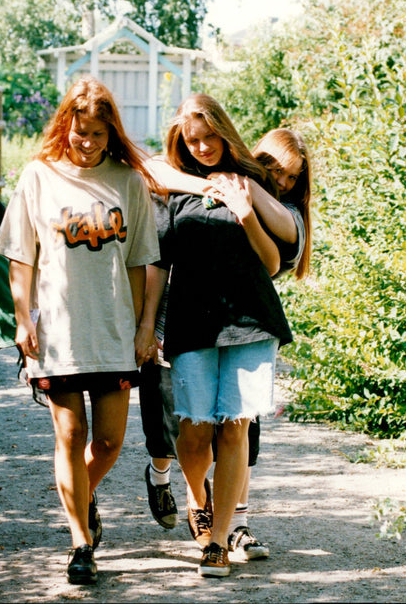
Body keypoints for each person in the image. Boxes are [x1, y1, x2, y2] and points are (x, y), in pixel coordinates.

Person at [0, 75, 161, 585]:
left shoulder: (128, 182)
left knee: (108, 442)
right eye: (79, 132)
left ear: (111, 134)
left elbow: (141, 264)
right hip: (58, 332)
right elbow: (21, 258)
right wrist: (23, 320)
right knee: (70, 433)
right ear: (65, 125)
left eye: (97, 135)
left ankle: (83, 495)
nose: (86, 143)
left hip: (111, 331)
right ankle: (81, 542)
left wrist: (143, 326)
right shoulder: (38, 176)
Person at [134, 93, 293, 578]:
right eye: (192, 139)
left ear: (225, 131)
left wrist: (245, 206)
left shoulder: (255, 180)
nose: (202, 146)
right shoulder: (170, 189)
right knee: (194, 428)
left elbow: (275, 257)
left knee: (235, 425)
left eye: (209, 136)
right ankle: (197, 496)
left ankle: (218, 540)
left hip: (249, 321)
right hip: (191, 320)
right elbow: (159, 265)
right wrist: (147, 326)